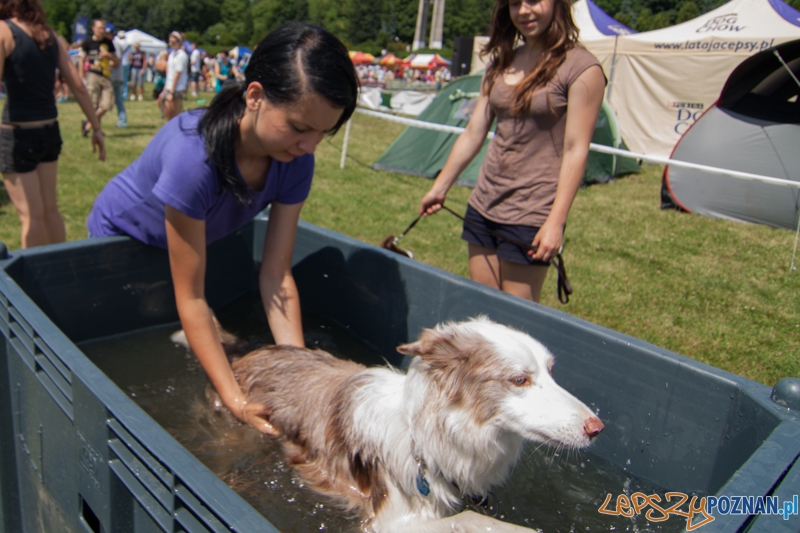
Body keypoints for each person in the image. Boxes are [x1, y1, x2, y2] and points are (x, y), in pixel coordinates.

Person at [86, 23, 358, 433]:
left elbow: (276, 275)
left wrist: (302, 376)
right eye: (301, 127)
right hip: (121, 240)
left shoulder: (295, 160)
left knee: (223, 340)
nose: (310, 146)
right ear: (255, 96)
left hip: (187, 243)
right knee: (142, 344)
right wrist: (236, 399)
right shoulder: (191, 157)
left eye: (324, 132)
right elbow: (192, 298)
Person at [418, 0, 605, 303]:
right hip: (483, 205)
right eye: (515, 3)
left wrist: (555, 222)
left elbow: (576, 150)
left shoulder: (582, 68)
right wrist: (439, 188)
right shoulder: (500, 63)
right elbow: (473, 132)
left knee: (516, 323)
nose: (524, 11)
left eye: (534, 1)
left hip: (531, 214)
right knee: (485, 312)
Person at [0, 0, 106, 249]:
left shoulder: (4, 31)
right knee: (50, 210)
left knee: (31, 217)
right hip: (49, 131)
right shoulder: (50, 35)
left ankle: (36, 283)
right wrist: (96, 127)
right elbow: (78, 86)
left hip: (18, 134)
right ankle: (61, 272)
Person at [79, 18, 118, 136]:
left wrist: (109, 56)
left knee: (107, 104)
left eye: (103, 28)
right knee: (94, 105)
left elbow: (117, 61)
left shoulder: (108, 42)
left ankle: (88, 125)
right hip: (93, 75)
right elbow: (82, 60)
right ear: (93, 28)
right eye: (99, 28)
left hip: (106, 76)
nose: (102, 31)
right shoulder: (87, 43)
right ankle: (98, 131)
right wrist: (81, 77)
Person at [160, 31, 188, 120]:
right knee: (167, 111)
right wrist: (165, 88)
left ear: (179, 42)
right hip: (169, 86)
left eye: (173, 42)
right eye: (170, 41)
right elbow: (169, 73)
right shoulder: (172, 54)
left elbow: (177, 74)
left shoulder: (182, 55)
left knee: (174, 115)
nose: (171, 44)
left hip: (177, 88)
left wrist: (172, 92)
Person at [110, 25, 127, 128]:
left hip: (115, 76)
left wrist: (104, 65)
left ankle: (122, 121)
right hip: (111, 76)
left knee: (117, 100)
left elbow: (117, 61)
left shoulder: (115, 44)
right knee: (116, 100)